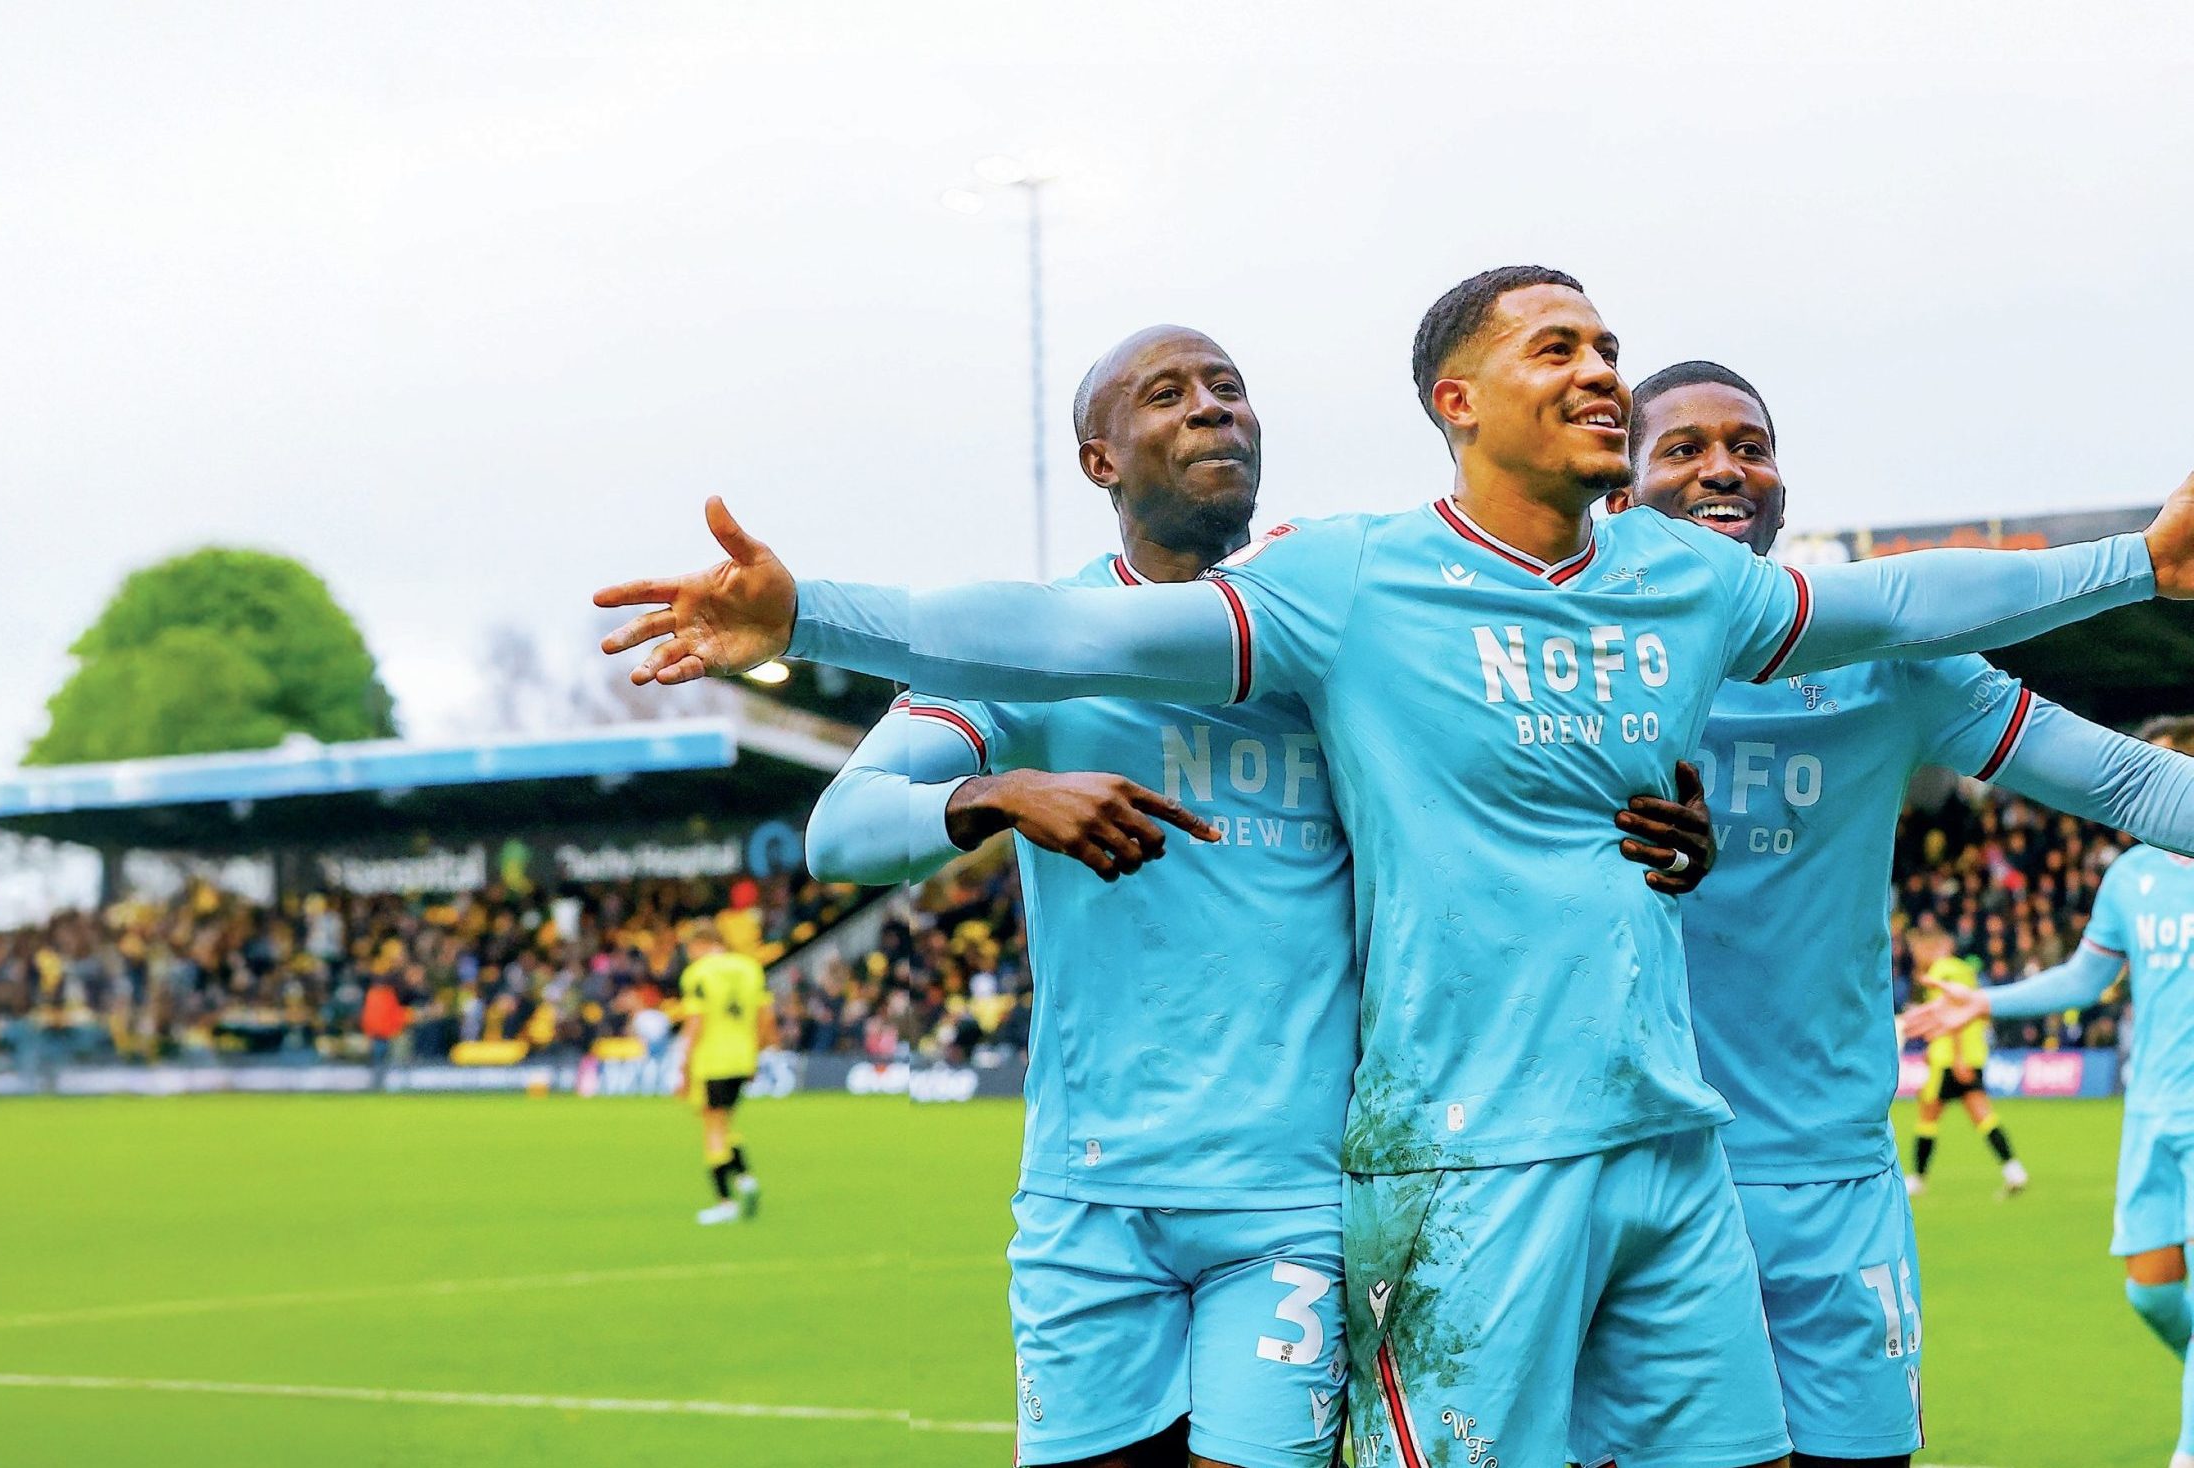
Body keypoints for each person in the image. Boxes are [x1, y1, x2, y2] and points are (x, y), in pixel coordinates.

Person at [597, 265, 2194, 1467]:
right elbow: (1060, 629)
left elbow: (1900, 610)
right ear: (1456, 401)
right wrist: (816, 623)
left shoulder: (1675, 591)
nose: (1601, 377)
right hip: (1453, 1162)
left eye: (1607, 351)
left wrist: (2138, 560)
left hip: (1669, 1144)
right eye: (1558, 351)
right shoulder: (1344, 592)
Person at [805, 324, 1721, 1468]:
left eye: (1229, 390)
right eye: (1167, 394)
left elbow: (1520, 783)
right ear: (1099, 458)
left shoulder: (1334, 639)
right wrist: (997, 792)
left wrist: (1666, 821)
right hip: (1088, 1197)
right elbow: (838, 831)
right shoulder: (1033, 650)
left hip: (1294, 1194)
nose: (1210, 409)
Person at [1603, 360, 2194, 1466]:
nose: (1724, 466)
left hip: (1830, 1174)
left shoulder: (1893, 665)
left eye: (1749, 445)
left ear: (1781, 491)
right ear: (1617, 494)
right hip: (1633, 1167)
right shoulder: (1568, 660)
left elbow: (2128, 785)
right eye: (1681, 448)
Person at [1906, 716, 2194, 1468]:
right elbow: (2087, 979)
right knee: (2153, 1294)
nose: (2146, 795)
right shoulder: (2131, 878)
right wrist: (1984, 1001)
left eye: (2161, 773)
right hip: (2151, 1113)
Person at [1903, 927, 2026, 1200]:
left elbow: (1952, 1016)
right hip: (1972, 1053)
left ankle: (1918, 1178)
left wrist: (1955, 1056)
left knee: (1927, 1114)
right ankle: (2013, 1170)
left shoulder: (1940, 972)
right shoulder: (1964, 970)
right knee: (1982, 1114)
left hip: (1950, 1058)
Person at [675, 924, 773, 1226]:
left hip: (710, 1060)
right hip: (741, 1059)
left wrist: (683, 1066)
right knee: (725, 1123)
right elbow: (765, 1019)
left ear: (702, 943)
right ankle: (745, 1179)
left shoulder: (698, 974)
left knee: (713, 1129)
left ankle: (726, 1202)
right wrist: (754, 1056)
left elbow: (695, 1024)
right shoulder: (750, 969)